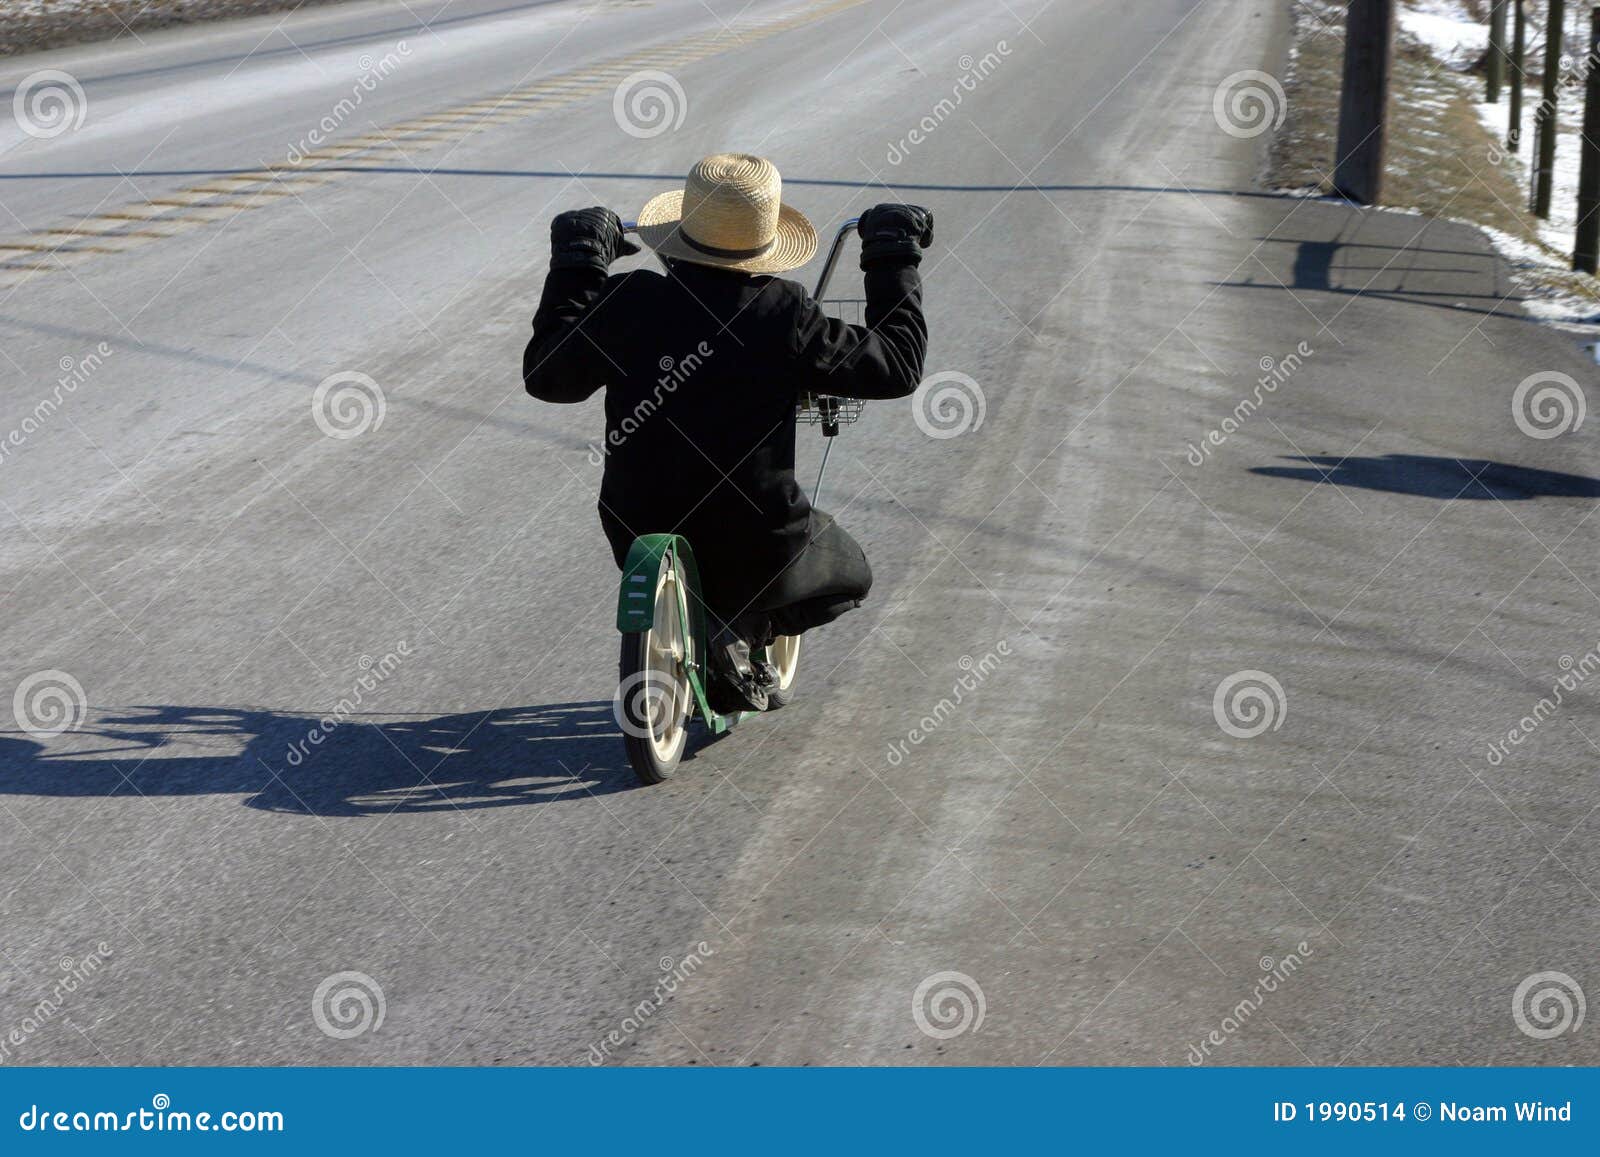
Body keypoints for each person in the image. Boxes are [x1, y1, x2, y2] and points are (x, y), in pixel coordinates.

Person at [524, 153, 930, 712]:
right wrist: (892, 255)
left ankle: (718, 630)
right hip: (758, 547)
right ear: (764, 246)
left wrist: (578, 263)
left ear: (680, 232)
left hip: (634, 522)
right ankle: (745, 627)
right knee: (852, 573)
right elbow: (897, 367)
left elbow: (549, 378)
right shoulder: (784, 312)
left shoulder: (629, 301)